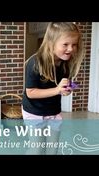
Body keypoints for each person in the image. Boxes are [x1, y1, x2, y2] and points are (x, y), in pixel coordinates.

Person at [22, 22, 85, 155]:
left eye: (74, 44)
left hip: (53, 112)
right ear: (51, 43)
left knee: (52, 149)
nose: (71, 49)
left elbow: (60, 87)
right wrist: (57, 90)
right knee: (37, 149)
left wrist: (65, 89)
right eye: (65, 44)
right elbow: (31, 93)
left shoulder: (66, 63)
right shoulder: (35, 63)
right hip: (34, 112)